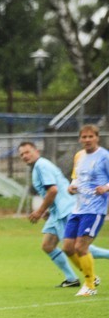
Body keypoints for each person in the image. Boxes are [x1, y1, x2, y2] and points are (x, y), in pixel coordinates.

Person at [18, 141, 109, 288]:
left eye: (27, 152)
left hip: (66, 209)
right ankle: (71, 278)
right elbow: (56, 188)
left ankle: (91, 276)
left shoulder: (41, 165)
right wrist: (48, 210)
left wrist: (40, 211)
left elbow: (53, 190)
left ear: (36, 151)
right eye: (21, 154)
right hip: (57, 211)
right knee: (48, 245)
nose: (24, 156)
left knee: (79, 247)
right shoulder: (39, 166)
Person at [63, 124, 109, 296]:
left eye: (91, 136)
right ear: (80, 139)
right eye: (84, 137)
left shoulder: (104, 156)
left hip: (95, 209)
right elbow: (76, 178)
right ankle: (92, 276)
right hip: (78, 208)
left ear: (97, 137)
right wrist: (71, 186)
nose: (87, 140)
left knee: (81, 247)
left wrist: (106, 187)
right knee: (68, 248)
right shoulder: (79, 156)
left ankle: (90, 286)